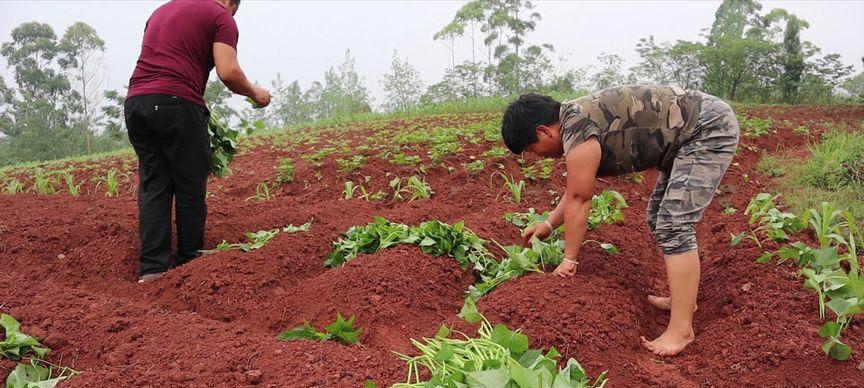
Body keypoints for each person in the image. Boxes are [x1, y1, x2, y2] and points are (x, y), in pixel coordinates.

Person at [502, 85, 739, 356]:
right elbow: (575, 191)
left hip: (706, 127)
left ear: (544, 131)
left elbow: (580, 198)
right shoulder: (573, 120)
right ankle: (682, 300)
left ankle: (681, 330)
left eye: (533, 149)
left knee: (674, 223)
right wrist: (548, 224)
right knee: (658, 216)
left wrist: (569, 261)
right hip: (689, 132)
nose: (538, 157)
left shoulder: (577, 129)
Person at [125, 0, 271, 283]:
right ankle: (189, 266)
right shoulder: (221, 15)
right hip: (176, 102)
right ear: (231, 3)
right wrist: (255, 92)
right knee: (190, 183)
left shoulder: (162, 11)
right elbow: (227, 71)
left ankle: (153, 270)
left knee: (155, 183)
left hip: (137, 103)